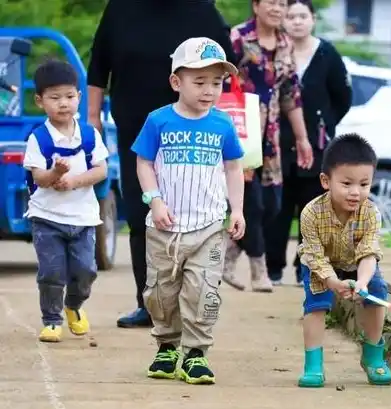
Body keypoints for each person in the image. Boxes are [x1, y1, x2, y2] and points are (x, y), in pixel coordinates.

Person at [87, 0, 237, 328]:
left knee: (195, 216)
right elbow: (98, 67)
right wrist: (92, 118)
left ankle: (191, 304)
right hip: (137, 132)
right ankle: (150, 304)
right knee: (144, 215)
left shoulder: (202, 11)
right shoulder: (121, 8)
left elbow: (226, 69)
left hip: (194, 134)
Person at [132, 38, 245, 385]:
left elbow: (233, 168)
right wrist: (155, 200)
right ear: (176, 82)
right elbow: (144, 162)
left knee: (203, 291)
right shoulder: (158, 121)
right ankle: (167, 345)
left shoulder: (223, 124)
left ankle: (196, 354)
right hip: (165, 227)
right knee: (161, 291)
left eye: (217, 82)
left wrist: (236, 210)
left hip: (209, 225)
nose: (209, 90)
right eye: (200, 82)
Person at [222, 0, 313, 293]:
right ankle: (259, 271)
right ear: (256, 6)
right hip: (240, 133)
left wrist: (302, 138)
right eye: (271, 2)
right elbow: (220, 84)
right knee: (254, 204)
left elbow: (290, 93)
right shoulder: (237, 38)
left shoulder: (285, 41)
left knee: (273, 204)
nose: (277, 8)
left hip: (271, 136)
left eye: (282, 3)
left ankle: (226, 256)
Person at [266, 0, 352, 286]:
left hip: (316, 146)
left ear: (313, 19)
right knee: (277, 207)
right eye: (291, 16)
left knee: (312, 208)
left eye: (303, 16)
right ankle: (272, 267)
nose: (297, 21)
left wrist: (323, 125)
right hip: (277, 143)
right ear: (283, 20)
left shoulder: (327, 53)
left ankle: (305, 268)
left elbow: (342, 97)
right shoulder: (275, 51)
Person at [297, 133, 391, 388]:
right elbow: (315, 256)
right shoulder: (311, 213)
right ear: (326, 181)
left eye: (364, 184)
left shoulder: (371, 212)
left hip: (358, 264)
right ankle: (313, 364)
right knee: (315, 305)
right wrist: (332, 282)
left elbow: (369, 253)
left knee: (377, 293)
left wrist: (362, 282)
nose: (356, 192)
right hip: (321, 265)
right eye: (347, 183)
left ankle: (373, 356)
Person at [23, 60, 109, 343]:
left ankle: (74, 305)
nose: (63, 104)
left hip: (83, 218)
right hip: (47, 217)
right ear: (40, 101)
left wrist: (73, 181)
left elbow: (101, 170)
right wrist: (55, 173)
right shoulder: (39, 138)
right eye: (55, 97)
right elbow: (38, 177)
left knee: (86, 270)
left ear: (79, 98)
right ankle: (51, 319)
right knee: (51, 271)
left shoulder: (88, 135)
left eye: (70, 96)